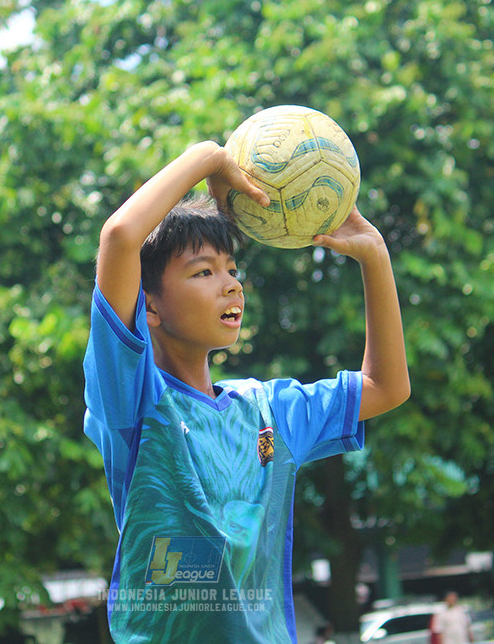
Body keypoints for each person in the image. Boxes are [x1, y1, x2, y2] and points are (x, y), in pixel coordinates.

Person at [83, 140, 410, 643]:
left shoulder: (267, 410)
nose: (232, 285)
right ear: (150, 308)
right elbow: (121, 235)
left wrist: (375, 256)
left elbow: (386, 387)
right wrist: (212, 157)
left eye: (233, 270)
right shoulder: (134, 399)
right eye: (204, 272)